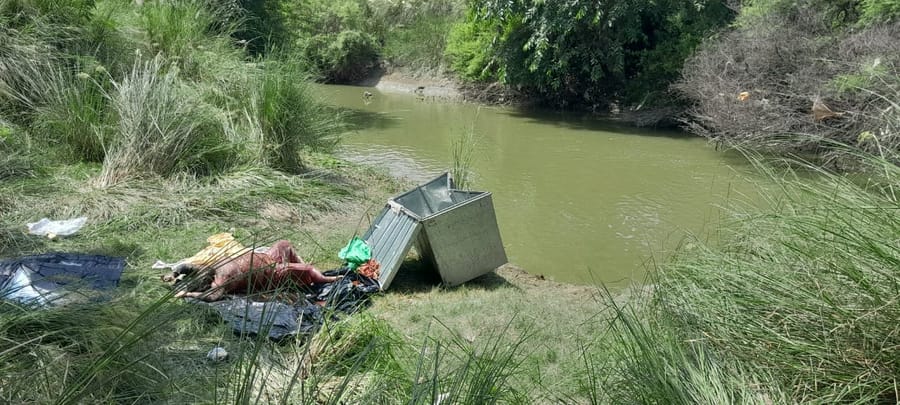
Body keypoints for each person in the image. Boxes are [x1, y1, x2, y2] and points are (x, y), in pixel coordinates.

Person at [172, 240, 340, 302]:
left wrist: (173, 275)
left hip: (267, 258)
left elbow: (187, 266)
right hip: (272, 274)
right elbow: (211, 296)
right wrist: (187, 294)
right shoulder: (220, 281)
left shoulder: (212, 266)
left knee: (283, 244)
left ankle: (305, 267)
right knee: (308, 269)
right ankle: (325, 279)